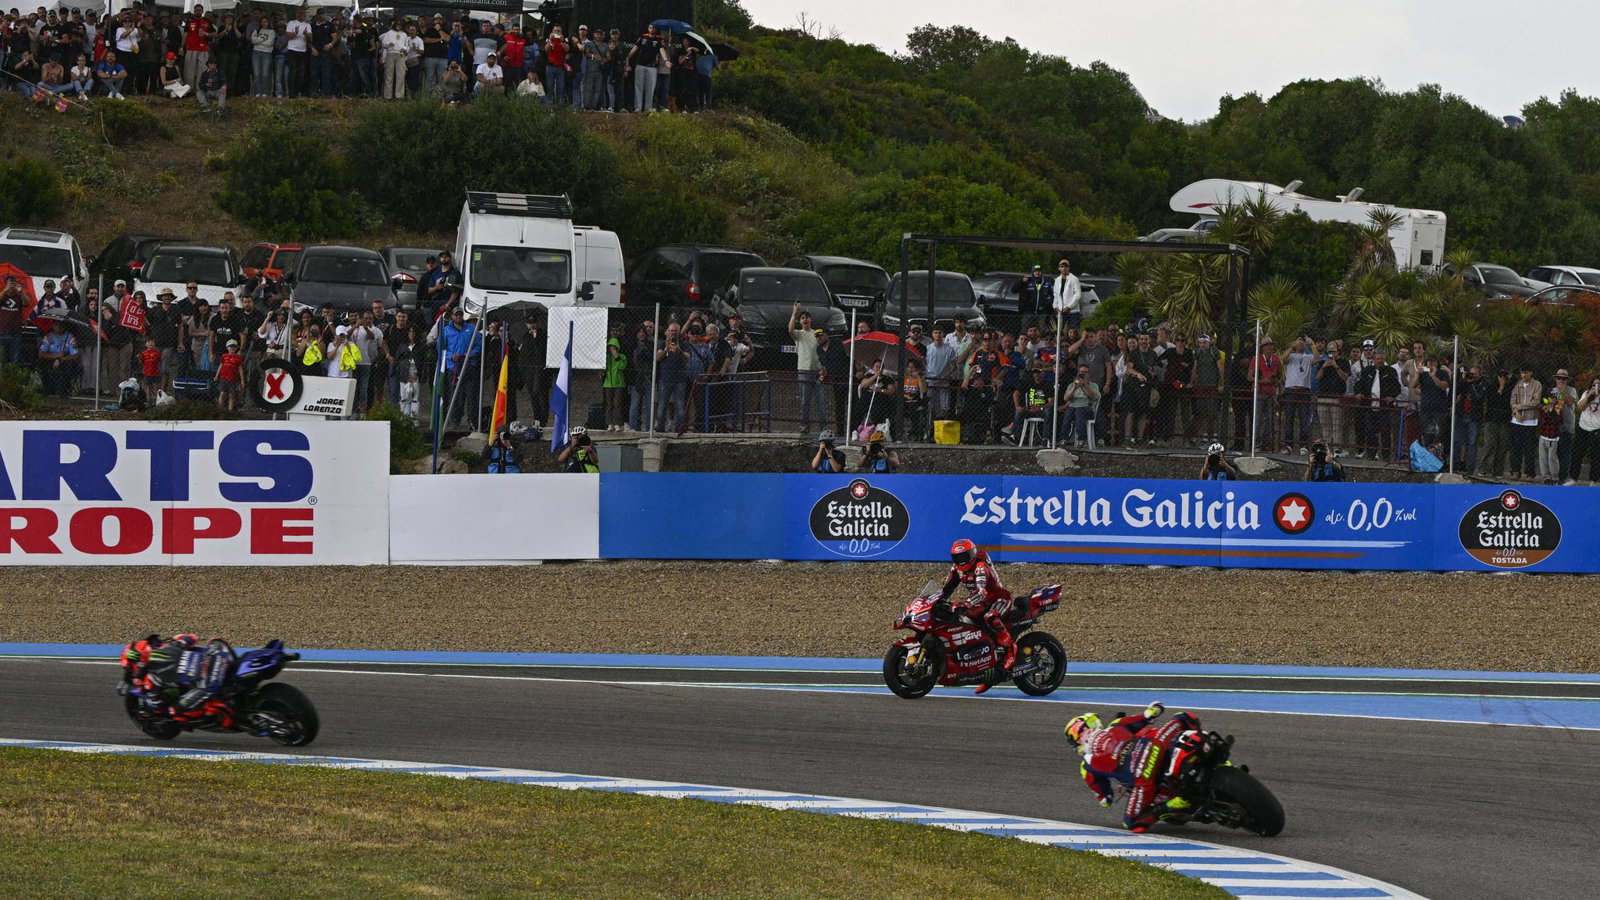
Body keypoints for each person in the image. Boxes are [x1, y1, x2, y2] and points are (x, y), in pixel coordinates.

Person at [1064, 702, 1205, 833]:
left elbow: (1106, 800)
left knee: (1131, 823)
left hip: (1142, 776)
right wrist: (1154, 709)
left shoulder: (1087, 764)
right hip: (1156, 745)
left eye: (1078, 735)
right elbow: (1149, 714)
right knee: (1183, 716)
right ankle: (1201, 742)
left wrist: (1109, 786)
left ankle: (1170, 806)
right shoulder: (1117, 724)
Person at [939, 538, 1015, 693]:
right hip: (981, 602)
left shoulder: (980, 567)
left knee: (990, 617)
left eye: (964, 557)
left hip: (998, 598)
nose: (961, 561)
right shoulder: (957, 569)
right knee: (966, 621)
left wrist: (965, 603)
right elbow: (947, 588)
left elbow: (981, 592)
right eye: (957, 558)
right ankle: (986, 667)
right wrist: (937, 601)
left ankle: (1009, 650)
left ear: (972, 554)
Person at [120, 633, 234, 725]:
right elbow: (193, 637)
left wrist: (150, 709)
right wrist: (180, 640)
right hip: (218, 655)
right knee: (215, 641)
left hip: (209, 683)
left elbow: (157, 707)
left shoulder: (150, 679)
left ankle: (222, 714)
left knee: (175, 712)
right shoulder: (172, 645)